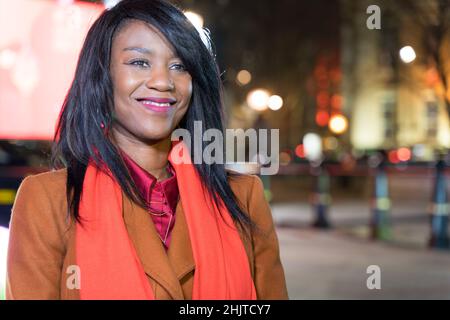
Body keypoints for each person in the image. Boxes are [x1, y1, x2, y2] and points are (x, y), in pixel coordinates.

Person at [6, 0, 288, 300]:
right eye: (139, 62)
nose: (163, 81)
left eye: (179, 66)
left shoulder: (243, 197)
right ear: (102, 75)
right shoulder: (48, 202)